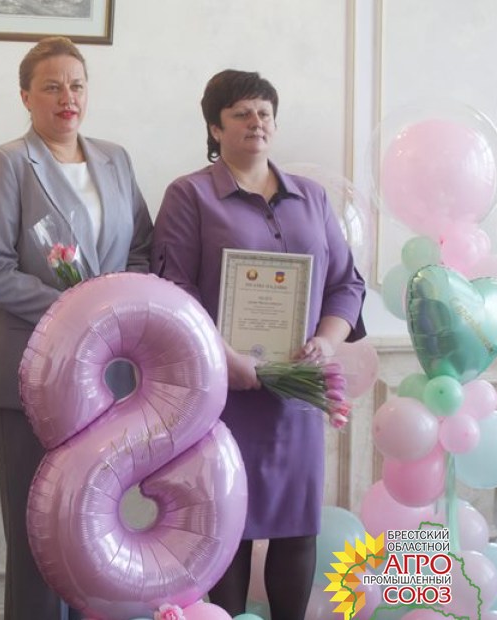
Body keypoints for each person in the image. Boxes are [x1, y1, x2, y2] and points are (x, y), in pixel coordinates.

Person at [150, 70, 365, 618]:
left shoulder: (312, 197)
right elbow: (175, 288)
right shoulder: (190, 195)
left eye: (265, 112)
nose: (256, 122)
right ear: (214, 128)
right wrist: (226, 358)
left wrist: (326, 343)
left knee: (297, 527)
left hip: (295, 393)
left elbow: (347, 284)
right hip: (224, 394)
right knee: (230, 526)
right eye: (241, 113)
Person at [0, 36, 153, 620]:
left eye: (76, 84)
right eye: (51, 86)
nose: (66, 97)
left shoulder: (116, 159)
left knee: (92, 526)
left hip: (107, 379)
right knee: (37, 533)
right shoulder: (5, 162)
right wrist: (77, 312)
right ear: (26, 97)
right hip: (32, 373)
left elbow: (142, 251)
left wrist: (113, 311)